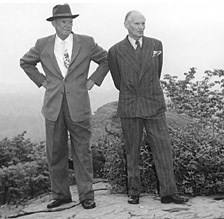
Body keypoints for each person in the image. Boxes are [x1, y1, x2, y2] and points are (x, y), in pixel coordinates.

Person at [20, 4, 109, 209]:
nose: (67, 25)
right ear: (54, 24)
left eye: (70, 21)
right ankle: (60, 195)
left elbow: (106, 60)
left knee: (82, 151)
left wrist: (93, 80)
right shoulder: (42, 44)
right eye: (63, 22)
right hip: (53, 106)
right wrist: (42, 81)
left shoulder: (86, 42)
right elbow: (25, 62)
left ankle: (87, 195)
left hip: (78, 105)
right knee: (55, 152)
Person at [108, 10, 188, 205]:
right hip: (130, 105)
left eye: (143, 23)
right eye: (136, 24)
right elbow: (118, 82)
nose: (141, 27)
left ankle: (169, 193)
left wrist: (147, 91)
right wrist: (134, 93)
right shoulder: (115, 51)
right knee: (131, 151)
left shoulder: (156, 45)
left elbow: (156, 72)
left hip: (153, 103)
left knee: (163, 149)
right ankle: (134, 192)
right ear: (126, 24)